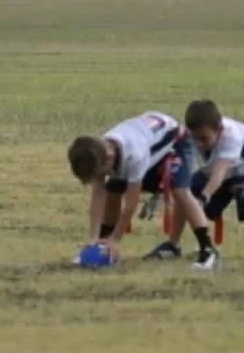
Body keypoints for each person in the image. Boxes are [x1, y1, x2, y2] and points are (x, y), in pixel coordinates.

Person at [148, 100, 244, 264]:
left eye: (204, 138)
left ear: (219, 130)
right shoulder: (190, 135)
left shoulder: (231, 135)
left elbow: (220, 171)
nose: (198, 143)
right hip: (220, 170)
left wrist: (204, 197)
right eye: (195, 138)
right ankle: (172, 245)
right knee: (184, 191)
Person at [67, 110, 220, 270]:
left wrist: (116, 239)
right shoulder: (98, 153)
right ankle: (102, 245)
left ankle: (208, 250)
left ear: (109, 157)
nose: (102, 176)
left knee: (180, 190)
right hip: (149, 144)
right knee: (112, 188)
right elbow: (98, 196)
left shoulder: (135, 154)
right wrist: (93, 238)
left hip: (176, 144)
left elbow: (130, 205)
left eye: (102, 173)